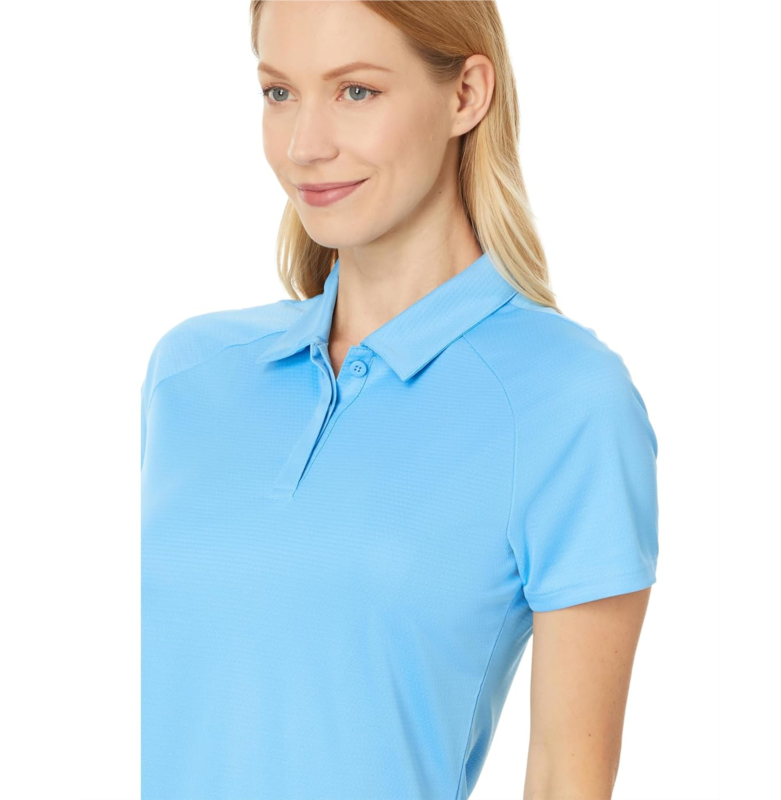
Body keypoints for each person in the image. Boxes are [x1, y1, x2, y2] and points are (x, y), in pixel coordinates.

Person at [140, 0, 660, 798]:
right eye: (279, 92)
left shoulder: (567, 400)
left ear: (466, 95)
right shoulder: (192, 376)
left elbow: (566, 777)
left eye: (357, 91)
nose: (304, 146)